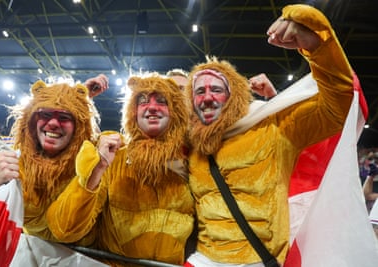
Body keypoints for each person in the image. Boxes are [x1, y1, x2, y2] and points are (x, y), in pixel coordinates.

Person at [184, 4, 355, 267]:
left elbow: (337, 110)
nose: (207, 97)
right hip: (201, 261)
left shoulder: (272, 127)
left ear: (233, 98)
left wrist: (318, 47)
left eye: (216, 89)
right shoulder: (190, 147)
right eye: (199, 91)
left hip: (259, 260)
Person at [45, 73, 194, 266]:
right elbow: (64, 229)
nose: (152, 107)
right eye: (143, 101)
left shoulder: (196, 162)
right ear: (133, 111)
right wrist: (96, 171)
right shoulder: (113, 155)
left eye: (162, 101)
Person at [0, 75, 108, 245]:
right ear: (30, 121)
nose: (53, 123)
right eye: (45, 114)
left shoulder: (92, 162)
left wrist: (77, 99)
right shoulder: (13, 164)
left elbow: (65, 231)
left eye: (64, 117)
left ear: (79, 125)